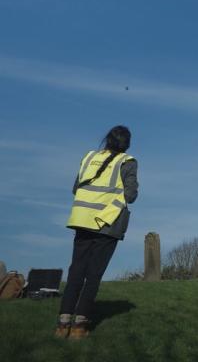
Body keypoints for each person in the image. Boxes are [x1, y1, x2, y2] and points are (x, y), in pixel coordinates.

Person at [55, 125, 139, 339]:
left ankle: (63, 323)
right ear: (127, 144)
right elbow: (130, 195)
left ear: (107, 140)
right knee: (93, 274)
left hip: (82, 220)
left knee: (76, 271)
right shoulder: (127, 162)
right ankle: (80, 326)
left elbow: (76, 188)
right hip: (107, 223)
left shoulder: (89, 157)